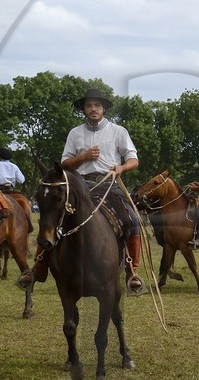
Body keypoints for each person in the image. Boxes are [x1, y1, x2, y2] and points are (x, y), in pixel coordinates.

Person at [60, 87, 144, 293]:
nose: (93, 109)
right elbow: (64, 163)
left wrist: (121, 168)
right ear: (83, 110)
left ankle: (132, 271)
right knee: (56, 217)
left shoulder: (118, 131)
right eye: (89, 105)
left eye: (97, 105)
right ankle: (40, 265)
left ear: (104, 109)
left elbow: (133, 159)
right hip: (81, 185)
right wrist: (83, 157)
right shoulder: (75, 133)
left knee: (132, 220)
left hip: (108, 184)